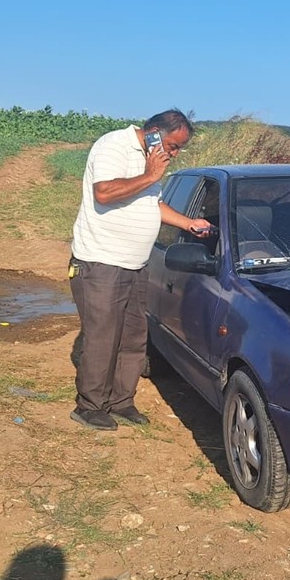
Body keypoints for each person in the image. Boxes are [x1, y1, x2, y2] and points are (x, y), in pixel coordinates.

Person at [67, 109, 213, 431]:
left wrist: (188, 223)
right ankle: (90, 406)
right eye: (173, 146)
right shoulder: (113, 146)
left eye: (179, 149)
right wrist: (150, 175)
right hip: (101, 261)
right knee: (103, 337)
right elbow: (104, 192)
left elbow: (151, 204)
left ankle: (121, 401)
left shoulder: (151, 162)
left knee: (133, 336)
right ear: (154, 132)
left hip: (136, 264)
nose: (174, 154)